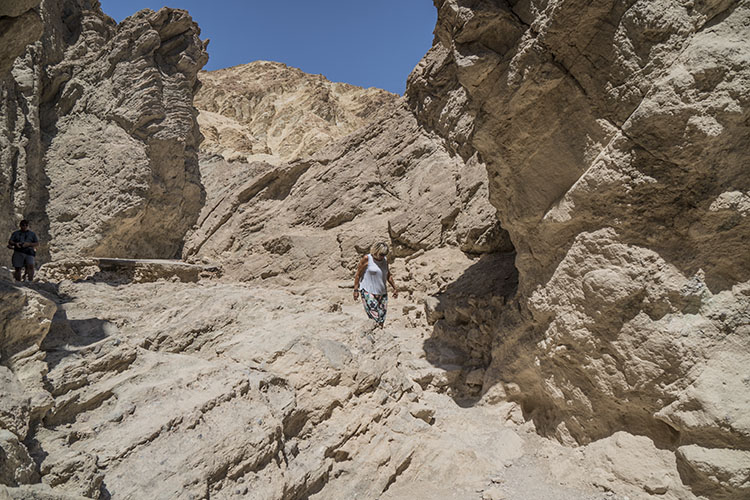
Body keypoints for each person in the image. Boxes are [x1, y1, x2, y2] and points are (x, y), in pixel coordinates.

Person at [353, 242, 398, 329]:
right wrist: (356, 290)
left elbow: (388, 275)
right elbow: (358, 274)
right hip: (368, 291)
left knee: (382, 318)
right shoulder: (367, 259)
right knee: (375, 317)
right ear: (376, 251)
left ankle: (379, 335)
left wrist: (395, 288)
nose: (383, 256)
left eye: (385, 254)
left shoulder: (384, 260)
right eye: (381, 254)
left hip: (382, 292)